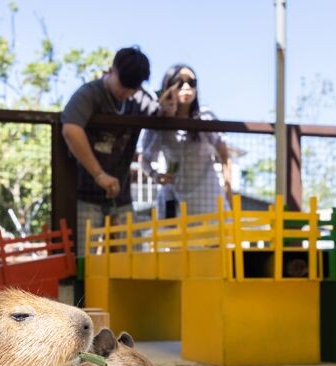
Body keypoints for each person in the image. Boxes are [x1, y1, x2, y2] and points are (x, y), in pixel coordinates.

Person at [61, 46, 174, 256]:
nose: (126, 93)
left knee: (130, 259)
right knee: (84, 261)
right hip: (85, 195)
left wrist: (168, 108)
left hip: (122, 199)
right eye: (123, 85)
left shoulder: (138, 99)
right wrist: (99, 174)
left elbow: (159, 114)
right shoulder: (90, 93)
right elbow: (71, 129)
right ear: (112, 70)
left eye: (133, 88)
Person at [140, 64, 232, 218]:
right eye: (180, 82)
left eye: (191, 82)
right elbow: (145, 159)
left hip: (208, 200)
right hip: (175, 202)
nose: (187, 87)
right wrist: (156, 175)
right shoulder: (158, 123)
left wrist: (229, 192)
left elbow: (225, 155)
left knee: (214, 240)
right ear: (168, 87)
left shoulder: (205, 117)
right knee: (173, 240)